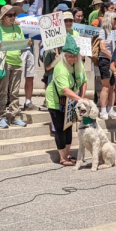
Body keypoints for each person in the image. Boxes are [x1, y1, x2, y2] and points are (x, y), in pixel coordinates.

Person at [45, 36, 87, 166]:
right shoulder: (60, 68)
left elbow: (83, 81)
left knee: (68, 127)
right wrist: (80, 99)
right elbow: (64, 90)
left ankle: (68, 154)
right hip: (56, 100)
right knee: (60, 128)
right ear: (64, 56)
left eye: (75, 56)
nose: (73, 58)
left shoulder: (78, 65)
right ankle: (62, 157)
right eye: (70, 56)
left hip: (70, 101)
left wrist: (82, 98)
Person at [0, 4, 28, 128]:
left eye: (14, 15)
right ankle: (1, 116)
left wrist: (27, 43)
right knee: (2, 91)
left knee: (15, 92)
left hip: (17, 62)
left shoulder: (18, 29)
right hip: (4, 63)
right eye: (10, 15)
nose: (13, 17)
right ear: (3, 17)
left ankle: (15, 116)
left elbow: (22, 45)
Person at [96, 13, 116, 120]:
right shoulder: (103, 31)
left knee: (112, 87)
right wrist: (113, 57)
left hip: (113, 62)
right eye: (115, 19)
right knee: (106, 86)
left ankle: (110, 109)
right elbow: (103, 48)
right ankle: (103, 110)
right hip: (105, 60)